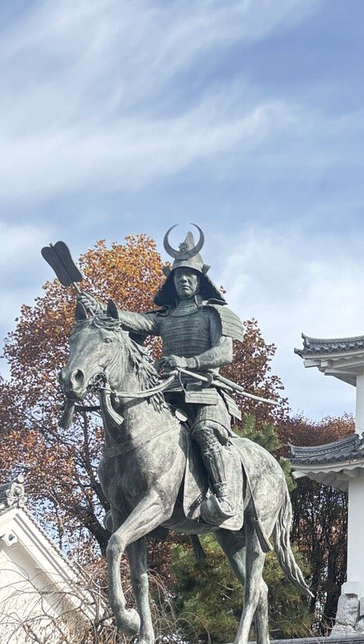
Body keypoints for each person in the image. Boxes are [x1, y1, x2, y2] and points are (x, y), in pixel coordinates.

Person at [80, 225, 245, 530]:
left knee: (205, 431)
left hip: (205, 390)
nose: (184, 280)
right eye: (179, 276)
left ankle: (224, 496)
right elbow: (136, 320)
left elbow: (225, 353)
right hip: (168, 391)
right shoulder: (165, 317)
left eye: (190, 276)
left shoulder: (214, 314)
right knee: (137, 428)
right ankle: (126, 499)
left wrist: (189, 360)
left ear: (200, 280)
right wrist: (102, 308)